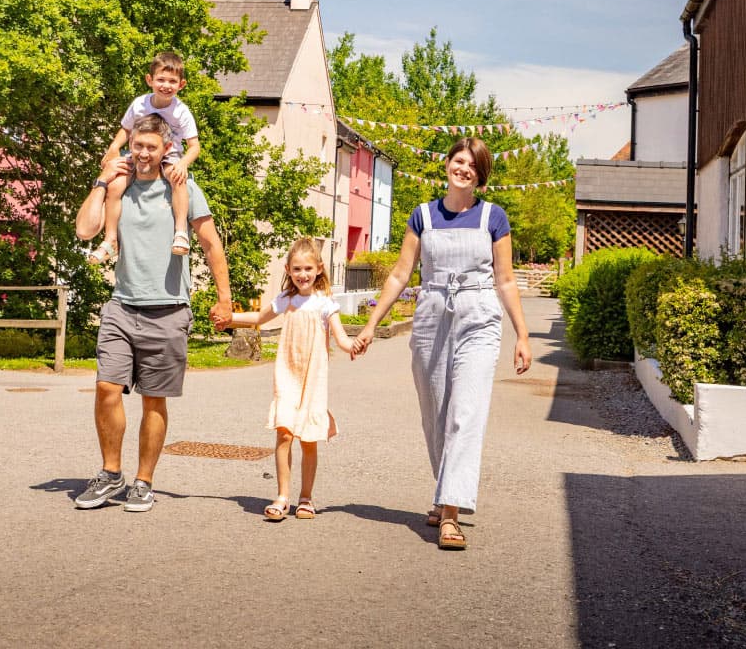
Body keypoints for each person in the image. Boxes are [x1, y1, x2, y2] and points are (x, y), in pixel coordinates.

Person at [351, 137, 532, 550]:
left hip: (479, 316)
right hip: (432, 313)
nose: (463, 168)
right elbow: (400, 274)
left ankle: (451, 511)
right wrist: (370, 325)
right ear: (447, 165)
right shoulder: (422, 216)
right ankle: (444, 490)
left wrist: (521, 334)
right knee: (435, 412)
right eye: (458, 160)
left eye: (472, 164)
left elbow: (504, 279)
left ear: (480, 175)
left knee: (465, 413)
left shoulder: (493, 217)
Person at [71, 113, 232, 513]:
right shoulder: (119, 187)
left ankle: (143, 481)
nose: (142, 153)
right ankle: (111, 474)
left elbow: (211, 244)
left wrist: (225, 298)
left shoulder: (182, 186)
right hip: (122, 305)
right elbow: (84, 231)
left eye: (151, 147)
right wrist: (102, 179)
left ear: (165, 151)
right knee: (107, 389)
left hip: (168, 309)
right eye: (137, 146)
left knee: (153, 401)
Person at [214, 238, 356, 521]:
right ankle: (282, 496)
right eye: (297, 269)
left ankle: (306, 497)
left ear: (319, 269)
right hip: (287, 375)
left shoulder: (326, 304)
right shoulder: (285, 300)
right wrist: (229, 320)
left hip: (313, 380)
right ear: (288, 270)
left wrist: (353, 345)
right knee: (284, 433)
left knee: (309, 438)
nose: (302, 274)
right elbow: (259, 317)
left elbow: (341, 338)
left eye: (307, 269)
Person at [87, 50, 201, 264]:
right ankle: (110, 239)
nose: (166, 85)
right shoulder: (140, 104)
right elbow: (126, 129)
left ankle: (180, 231)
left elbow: (194, 146)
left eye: (172, 81)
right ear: (150, 80)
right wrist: (113, 148)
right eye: (161, 79)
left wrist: (184, 163)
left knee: (178, 180)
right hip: (140, 154)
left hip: (169, 155)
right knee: (115, 184)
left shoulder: (181, 112)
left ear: (181, 85)